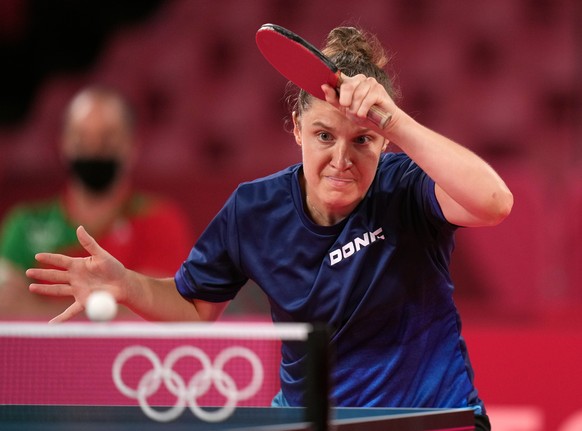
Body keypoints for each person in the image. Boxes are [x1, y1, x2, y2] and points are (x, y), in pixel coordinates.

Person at [26, 28, 513, 430]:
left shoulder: (406, 189)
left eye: (363, 140)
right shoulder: (253, 211)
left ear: (383, 141)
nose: (340, 161)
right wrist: (126, 284)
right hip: (312, 422)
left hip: (429, 419)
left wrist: (395, 121)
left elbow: (494, 203)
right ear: (297, 128)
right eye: (324, 135)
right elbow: (196, 310)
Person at [0, 85, 193, 319]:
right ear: (64, 145)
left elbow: (156, 311)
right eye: (82, 138)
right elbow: (7, 308)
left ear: (131, 146)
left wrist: (38, 311)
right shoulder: (24, 224)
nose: (93, 150)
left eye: (107, 138)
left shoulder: (160, 220)